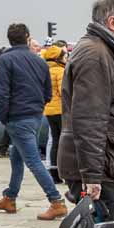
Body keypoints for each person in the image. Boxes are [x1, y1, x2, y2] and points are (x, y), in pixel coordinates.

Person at [58, 0, 114, 222]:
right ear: (113, 22)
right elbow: (89, 121)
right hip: (96, 169)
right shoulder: (96, 55)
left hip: (102, 165)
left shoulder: (104, 51)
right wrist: (92, 176)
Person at [0, 23, 66, 220]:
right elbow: (47, 92)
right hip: (35, 115)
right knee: (16, 154)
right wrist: (38, 106)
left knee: (33, 161)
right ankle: (10, 197)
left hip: (17, 116)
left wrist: (3, 116)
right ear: (27, 38)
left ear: (9, 39)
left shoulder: (6, 60)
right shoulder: (39, 60)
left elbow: (1, 92)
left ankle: (56, 201)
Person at [42, 45, 66, 183]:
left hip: (49, 110)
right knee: (65, 142)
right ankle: (65, 171)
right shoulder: (60, 71)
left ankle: (54, 172)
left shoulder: (46, 70)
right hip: (61, 110)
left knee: (56, 140)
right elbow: (64, 92)